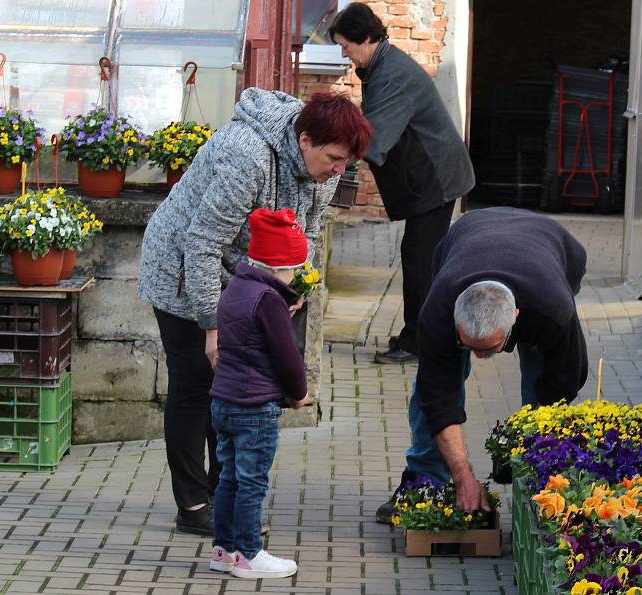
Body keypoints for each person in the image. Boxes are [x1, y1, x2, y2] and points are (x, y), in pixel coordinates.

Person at [138, 89, 372, 536]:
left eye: (347, 162)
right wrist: (211, 325)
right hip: (182, 269)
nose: (340, 171)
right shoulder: (247, 155)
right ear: (305, 139)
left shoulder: (321, 173)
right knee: (195, 386)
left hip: (242, 276)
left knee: (230, 386)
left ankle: (221, 495)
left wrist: (299, 285)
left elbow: (307, 234)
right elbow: (202, 243)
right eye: (335, 158)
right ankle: (192, 506)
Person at [374, 207, 589, 523]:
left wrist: (525, 443)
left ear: (515, 318)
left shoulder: (553, 309)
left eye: (487, 348)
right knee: (432, 388)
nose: (477, 357)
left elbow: (565, 381)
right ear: (454, 319)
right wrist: (464, 476)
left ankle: (535, 484)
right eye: (467, 345)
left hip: (551, 247)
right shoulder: (438, 309)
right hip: (465, 237)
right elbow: (438, 399)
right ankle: (424, 481)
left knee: (540, 386)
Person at [329, 3, 475, 365]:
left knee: (420, 259)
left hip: (437, 178)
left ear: (366, 39)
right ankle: (425, 335)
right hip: (432, 176)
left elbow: (373, 137)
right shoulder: (383, 65)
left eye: (346, 46)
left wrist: (331, 162)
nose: (345, 54)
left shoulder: (392, 76)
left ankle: (420, 343)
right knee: (422, 258)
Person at [208, 208, 308, 579]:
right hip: (255, 407)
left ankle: (223, 550)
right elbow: (287, 355)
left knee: (229, 478)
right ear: (282, 265)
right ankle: (249, 553)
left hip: (224, 401)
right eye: (294, 266)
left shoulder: (237, 287)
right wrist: (299, 393)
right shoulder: (268, 299)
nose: (295, 274)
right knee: (252, 481)